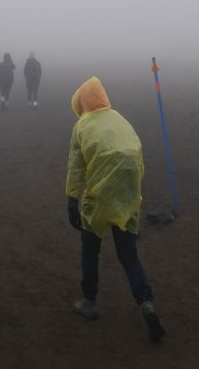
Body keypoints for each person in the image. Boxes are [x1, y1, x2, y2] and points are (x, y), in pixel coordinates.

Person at [65, 76, 165, 342]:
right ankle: (146, 302)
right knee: (128, 255)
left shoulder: (82, 125)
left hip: (100, 194)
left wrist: (72, 200)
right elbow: (137, 155)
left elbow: (76, 167)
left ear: (83, 103)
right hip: (129, 192)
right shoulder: (120, 119)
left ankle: (89, 301)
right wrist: (134, 196)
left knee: (91, 247)